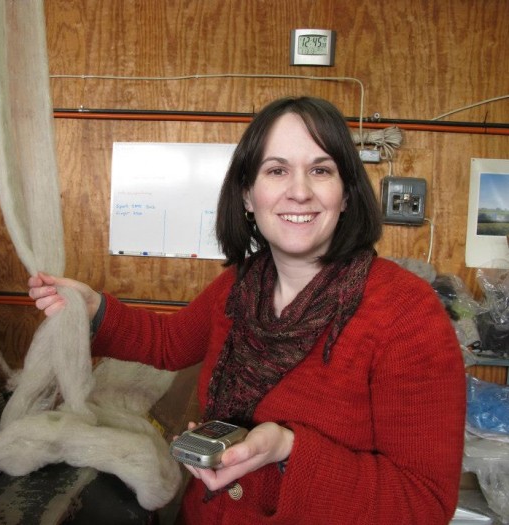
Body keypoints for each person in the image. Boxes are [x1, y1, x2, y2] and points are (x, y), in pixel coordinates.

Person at [28, 97, 466, 524]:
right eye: (276, 170)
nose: (299, 191)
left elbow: (423, 504)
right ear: (247, 197)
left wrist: (287, 452)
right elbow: (167, 344)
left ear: (347, 195)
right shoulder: (241, 286)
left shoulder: (408, 316)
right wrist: (93, 308)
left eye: (321, 170)